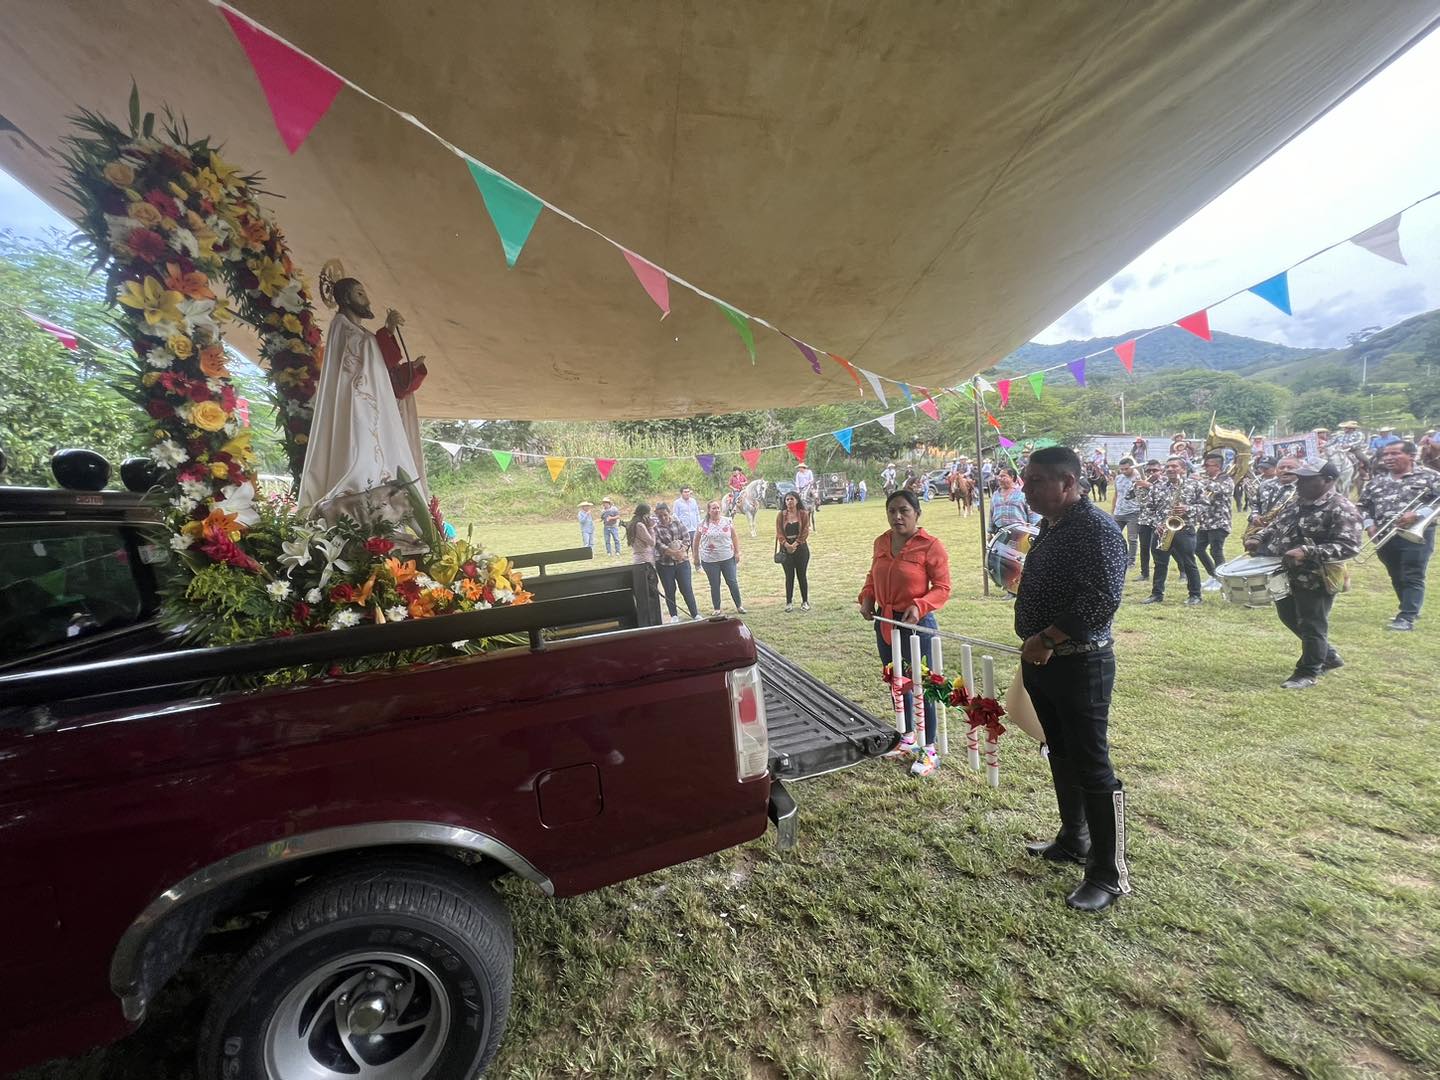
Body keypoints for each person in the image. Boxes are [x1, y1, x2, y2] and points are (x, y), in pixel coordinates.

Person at [1014, 446, 1129, 912]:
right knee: (1058, 751)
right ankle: (1073, 839)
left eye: (1036, 481)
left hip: (1080, 662)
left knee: (1092, 765)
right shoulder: (1052, 524)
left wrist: (1048, 636)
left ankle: (1109, 874)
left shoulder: (1098, 530)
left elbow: (1100, 600)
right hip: (1044, 662)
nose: (1026, 488)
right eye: (1026, 479)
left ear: (1068, 482)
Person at [299, 264, 429, 524]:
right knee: (358, 451)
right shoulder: (342, 327)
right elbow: (361, 355)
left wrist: (394, 345)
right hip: (356, 405)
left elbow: (380, 362)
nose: (366, 299)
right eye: (359, 294)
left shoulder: (362, 332)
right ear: (345, 298)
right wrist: (386, 332)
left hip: (373, 407)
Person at [858, 490, 951, 777]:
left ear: (917, 513)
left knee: (923, 687)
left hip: (916, 626)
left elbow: (943, 588)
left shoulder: (931, 545)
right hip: (885, 622)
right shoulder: (881, 542)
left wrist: (919, 605)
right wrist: (866, 597)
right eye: (892, 511)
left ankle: (929, 748)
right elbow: (873, 575)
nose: (897, 516)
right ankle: (908, 737)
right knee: (897, 681)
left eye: (904, 511)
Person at [1244, 462, 1362, 688]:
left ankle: (1307, 672)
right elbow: (1276, 526)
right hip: (1284, 573)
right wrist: (1258, 538)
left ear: (1328, 480)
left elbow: (1350, 546)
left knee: (1312, 624)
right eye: (1300, 478)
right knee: (1288, 616)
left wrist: (1308, 551)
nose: (1301, 483)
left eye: (1308, 479)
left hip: (1315, 576)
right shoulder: (1296, 502)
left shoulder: (1341, 507)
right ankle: (1328, 655)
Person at [1357, 441, 1440, 631]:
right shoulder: (1377, 481)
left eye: (1394, 454)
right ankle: (1409, 605)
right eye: (1385, 454)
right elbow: (1362, 506)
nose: (1388, 458)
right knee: (1396, 574)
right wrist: (1369, 524)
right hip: (1385, 534)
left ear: (1411, 456)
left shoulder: (1430, 476)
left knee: (1412, 573)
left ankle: (1407, 617)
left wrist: (1419, 514)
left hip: (1417, 533)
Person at [1139, 456, 1203, 605]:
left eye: (1174, 466)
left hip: (1184, 529)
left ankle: (1195, 595)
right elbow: (1149, 509)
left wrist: (1188, 509)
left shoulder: (1195, 485)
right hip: (1162, 531)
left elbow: (1205, 507)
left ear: (1184, 469)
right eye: (1167, 467)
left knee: (1189, 563)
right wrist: (1157, 524)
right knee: (1160, 563)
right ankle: (1157, 594)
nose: (1170, 469)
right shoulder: (1158, 486)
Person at [693, 500, 746, 615]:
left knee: (732, 582)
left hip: (727, 557)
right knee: (714, 584)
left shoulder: (727, 521)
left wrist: (737, 552)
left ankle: (739, 606)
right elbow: (696, 541)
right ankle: (717, 608)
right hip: (710, 560)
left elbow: (734, 537)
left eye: (718, 508)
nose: (716, 510)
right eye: (713, 508)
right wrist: (696, 557)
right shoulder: (702, 524)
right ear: (708, 510)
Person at [1193, 451, 1236, 591]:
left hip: (1219, 521)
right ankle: (1214, 575)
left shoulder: (1226, 479)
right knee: (1197, 549)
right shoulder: (1208, 480)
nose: (1205, 468)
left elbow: (1223, 490)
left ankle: (1222, 580)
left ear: (1217, 466)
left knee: (1216, 551)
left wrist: (1202, 481)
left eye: (1207, 465)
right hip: (1206, 522)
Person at [653, 502, 699, 622]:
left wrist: (682, 551)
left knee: (686, 588)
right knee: (669, 589)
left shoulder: (678, 523)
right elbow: (658, 544)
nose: (663, 518)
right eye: (660, 516)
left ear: (669, 513)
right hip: (664, 564)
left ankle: (695, 614)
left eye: (665, 515)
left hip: (682, 562)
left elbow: (687, 538)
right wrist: (673, 553)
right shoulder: (656, 528)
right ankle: (674, 615)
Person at [775, 491, 812, 612]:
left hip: (801, 548)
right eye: (787, 499)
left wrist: (796, 544)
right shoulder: (781, 515)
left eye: (791, 499)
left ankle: (805, 601)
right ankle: (789, 602)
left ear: (797, 500)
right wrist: (786, 544)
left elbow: (805, 531)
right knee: (789, 576)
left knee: (802, 575)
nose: (789, 501)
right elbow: (779, 532)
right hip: (786, 549)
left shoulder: (803, 514)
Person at [1131, 460, 1164, 581]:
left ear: (1161, 471)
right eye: (1148, 471)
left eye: (1154, 470)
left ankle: (1182, 571)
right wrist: (1139, 486)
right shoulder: (1139, 483)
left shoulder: (1165, 483)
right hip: (1144, 519)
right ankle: (1144, 573)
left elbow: (1165, 497)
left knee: (1159, 548)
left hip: (1159, 520)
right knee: (1144, 547)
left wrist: (1150, 486)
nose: (1151, 473)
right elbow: (1141, 501)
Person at [1110, 457, 1142, 568]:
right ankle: (1116, 558)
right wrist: (1113, 510)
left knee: (1132, 538)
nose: (1124, 471)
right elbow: (1116, 494)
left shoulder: (1138, 477)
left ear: (1132, 467)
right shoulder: (1118, 478)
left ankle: (1131, 561)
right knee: (1113, 535)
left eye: (1126, 469)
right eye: (1121, 469)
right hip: (1119, 512)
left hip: (1133, 512)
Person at [989, 467, 1030, 534]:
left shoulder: (1023, 493)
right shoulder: (995, 494)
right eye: (999, 476)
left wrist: (1033, 531)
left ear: (1012, 477)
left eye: (1003, 476)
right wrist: (990, 532)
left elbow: (1033, 514)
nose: (1000, 479)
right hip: (999, 534)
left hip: (1021, 534)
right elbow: (991, 514)